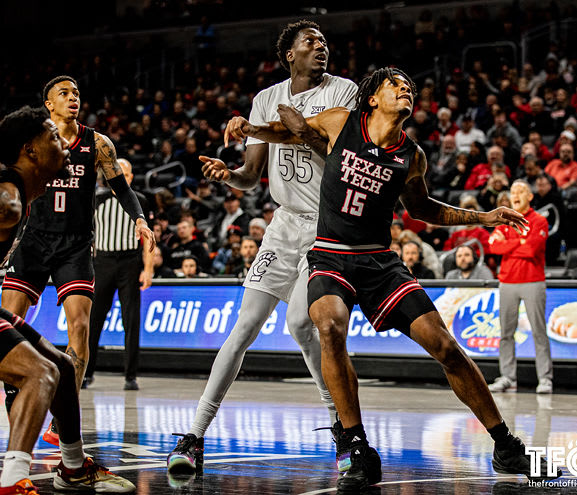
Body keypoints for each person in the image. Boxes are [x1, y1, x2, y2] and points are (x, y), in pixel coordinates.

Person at [225, 67, 558, 490]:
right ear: (372, 98)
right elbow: (287, 133)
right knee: (328, 326)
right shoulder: (341, 122)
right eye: (396, 85)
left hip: (381, 263)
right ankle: (356, 446)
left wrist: (484, 216)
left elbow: (424, 211)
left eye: (410, 87)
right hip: (330, 256)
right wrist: (249, 128)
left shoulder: (412, 155)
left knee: (446, 347)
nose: (406, 90)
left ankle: (505, 445)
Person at [167, 20, 358, 474]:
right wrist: (226, 174)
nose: (320, 48)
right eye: (311, 42)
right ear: (289, 53)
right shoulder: (265, 98)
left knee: (299, 323)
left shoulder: (343, 91)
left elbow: (315, 139)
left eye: (325, 43)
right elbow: (251, 176)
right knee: (245, 325)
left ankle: (340, 425)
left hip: (327, 228)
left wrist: (257, 127)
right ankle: (194, 435)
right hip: (284, 225)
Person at [2, 76, 155, 446]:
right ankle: (14, 398)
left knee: (81, 328)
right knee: (10, 322)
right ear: (48, 104)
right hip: (32, 241)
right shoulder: (35, 140)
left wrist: (139, 218)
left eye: (77, 94)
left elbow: (122, 188)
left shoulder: (97, 143)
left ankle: (61, 420)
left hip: (74, 244)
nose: (73, 99)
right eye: (64, 94)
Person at [85, 158, 154, 391]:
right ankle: (86, 372)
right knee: (93, 320)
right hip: (102, 262)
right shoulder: (96, 199)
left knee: (131, 320)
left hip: (129, 263)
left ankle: (130, 375)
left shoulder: (140, 201)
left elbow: (148, 239)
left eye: (125, 174)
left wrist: (148, 268)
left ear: (131, 177)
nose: (121, 177)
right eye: (117, 173)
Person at [488, 180, 553, 395]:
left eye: (521, 191)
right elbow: (494, 246)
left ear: (530, 196)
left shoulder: (540, 221)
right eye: (513, 191)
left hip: (533, 281)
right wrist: (520, 243)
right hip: (507, 282)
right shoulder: (505, 220)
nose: (515, 194)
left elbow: (532, 250)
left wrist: (510, 245)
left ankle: (545, 378)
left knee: (538, 332)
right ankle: (507, 377)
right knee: (506, 333)